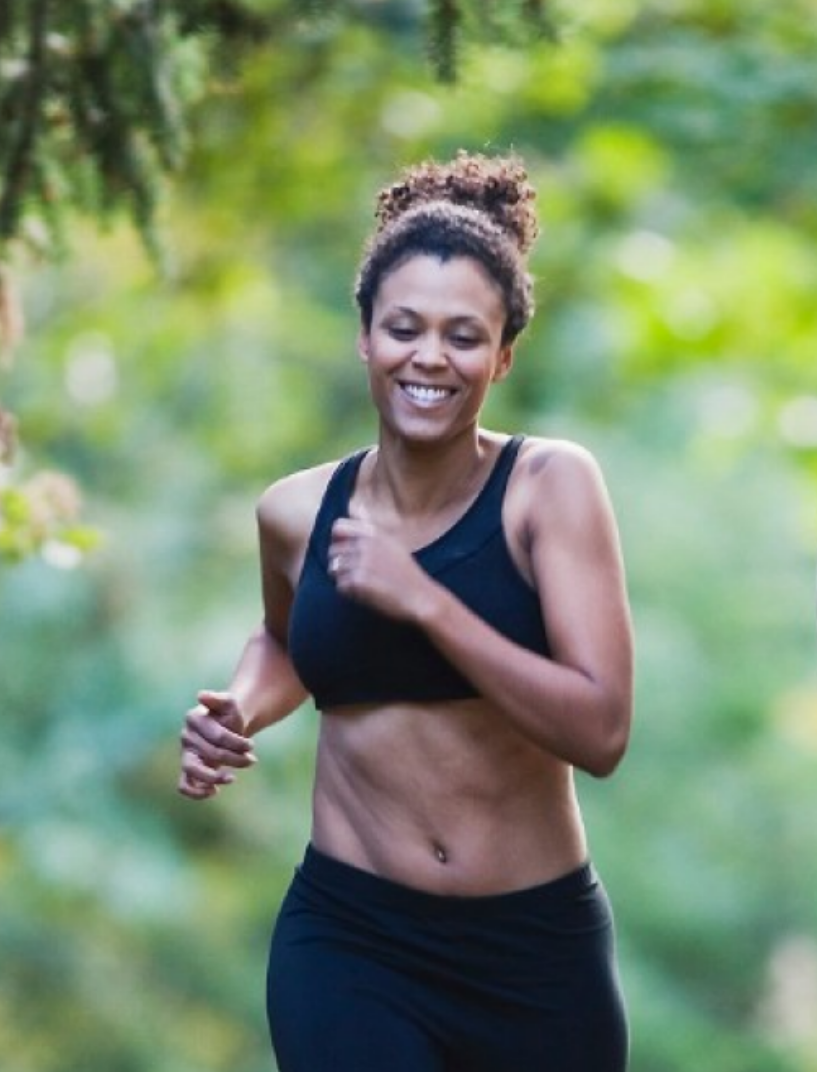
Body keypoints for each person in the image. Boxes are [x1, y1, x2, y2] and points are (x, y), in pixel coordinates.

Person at [177, 151, 632, 1072]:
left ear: (503, 356)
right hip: (353, 938)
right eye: (404, 328)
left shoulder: (549, 489)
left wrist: (427, 602)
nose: (431, 357)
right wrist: (237, 706)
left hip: (533, 950)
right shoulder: (295, 511)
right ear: (365, 338)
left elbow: (601, 729)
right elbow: (289, 641)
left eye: (464, 336)